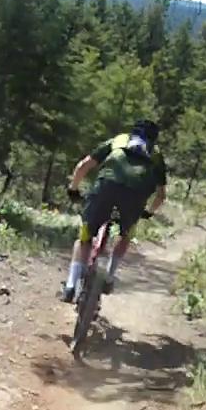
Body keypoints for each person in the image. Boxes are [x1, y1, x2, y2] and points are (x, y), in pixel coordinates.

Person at [61, 119, 168, 302]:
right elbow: (161, 195)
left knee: (85, 238)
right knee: (125, 234)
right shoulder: (156, 155)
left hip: (106, 188)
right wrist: (148, 212)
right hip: (135, 197)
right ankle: (109, 276)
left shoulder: (118, 141)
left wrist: (73, 188)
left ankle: (70, 286)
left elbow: (84, 165)